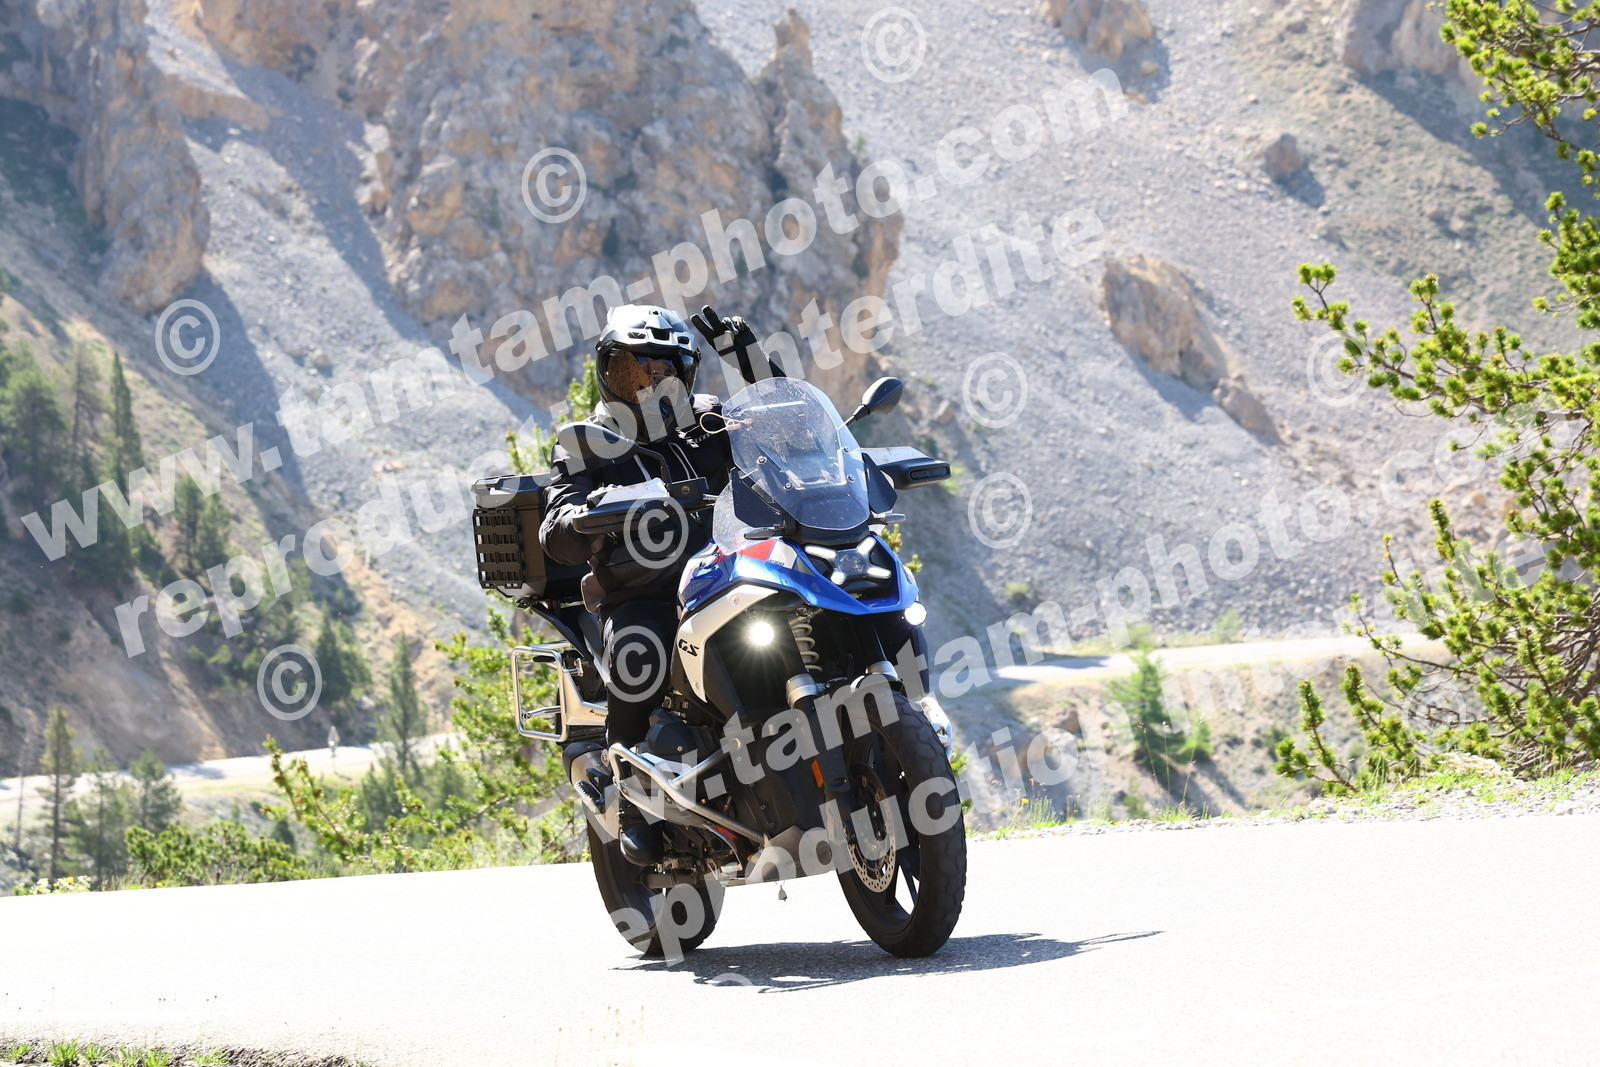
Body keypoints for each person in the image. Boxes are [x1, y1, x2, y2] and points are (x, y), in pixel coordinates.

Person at [540, 303, 739, 865]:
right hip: (643, 592)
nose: (651, 382)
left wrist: (752, 364)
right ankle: (631, 799)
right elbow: (556, 529)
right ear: (610, 373)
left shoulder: (712, 422)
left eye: (664, 369)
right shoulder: (585, 441)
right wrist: (590, 511)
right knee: (640, 652)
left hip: (730, 576)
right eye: (636, 369)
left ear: (685, 375)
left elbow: (790, 441)